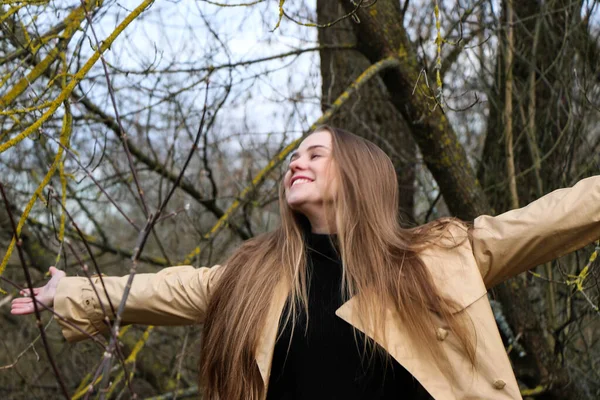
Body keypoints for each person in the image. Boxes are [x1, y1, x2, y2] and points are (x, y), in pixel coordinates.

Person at [11, 126, 600, 400]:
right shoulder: (254, 279)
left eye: (315, 153)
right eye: (293, 156)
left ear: (359, 173)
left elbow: (549, 218)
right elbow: (169, 290)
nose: (296, 162)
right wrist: (73, 294)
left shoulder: (439, 257)